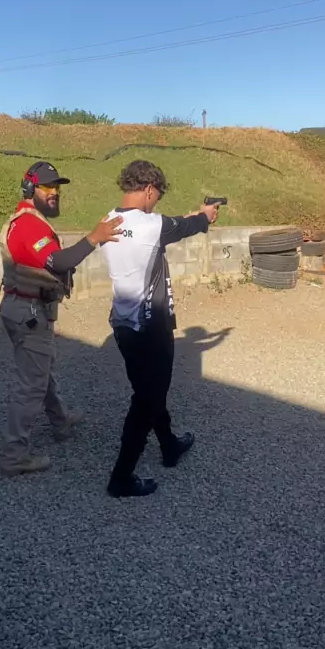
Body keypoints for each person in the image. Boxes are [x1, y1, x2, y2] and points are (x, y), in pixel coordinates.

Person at [101, 159, 219, 498]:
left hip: (123, 324)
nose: (156, 204)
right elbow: (184, 226)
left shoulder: (108, 221)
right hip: (151, 325)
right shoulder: (151, 226)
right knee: (147, 399)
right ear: (149, 190)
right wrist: (205, 216)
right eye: (157, 197)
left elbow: (166, 226)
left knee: (149, 390)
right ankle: (122, 476)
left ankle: (168, 445)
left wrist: (190, 217)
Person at [0, 161, 122, 477]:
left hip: (25, 309)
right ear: (30, 188)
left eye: (57, 187)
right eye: (47, 187)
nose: (54, 192)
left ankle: (60, 421)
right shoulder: (29, 225)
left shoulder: (27, 221)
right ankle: (14, 455)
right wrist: (94, 238)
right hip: (29, 312)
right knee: (31, 384)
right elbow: (58, 261)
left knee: (41, 371)